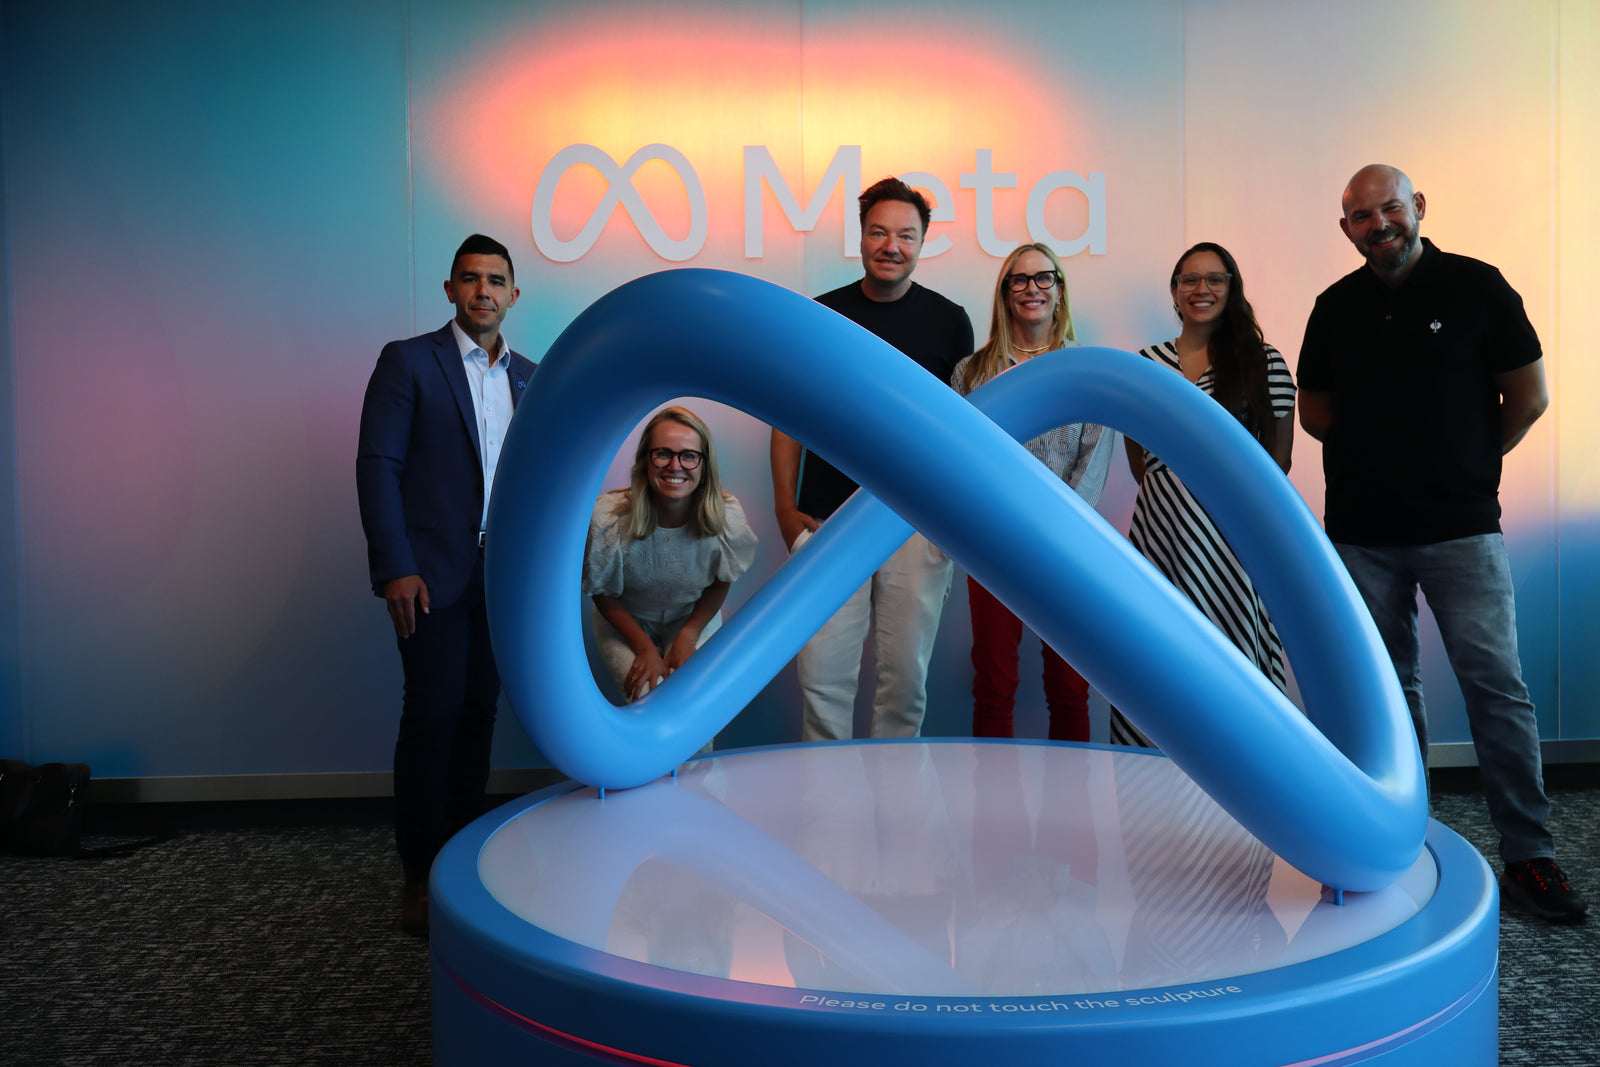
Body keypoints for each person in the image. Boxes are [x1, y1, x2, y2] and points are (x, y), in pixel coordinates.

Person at [1298, 164, 1586, 924]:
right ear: (1347, 229)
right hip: (1362, 532)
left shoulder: (1478, 288)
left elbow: (1530, 396)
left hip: (1462, 526)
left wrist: (1466, 461)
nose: (1378, 223)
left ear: (1417, 207)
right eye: (1361, 216)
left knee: (1496, 686)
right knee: (1387, 693)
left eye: (1389, 207)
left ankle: (1530, 856)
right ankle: (1402, 840)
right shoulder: (1335, 308)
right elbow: (1317, 413)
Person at [356, 233, 536, 936]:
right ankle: (420, 876)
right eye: (470, 278)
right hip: (428, 575)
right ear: (450, 289)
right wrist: (394, 564)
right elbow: (378, 465)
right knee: (432, 717)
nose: (483, 291)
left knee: (478, 719)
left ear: (514, 295)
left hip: (504, 577)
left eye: (496, 280)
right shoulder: (409, 362)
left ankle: (465, 869)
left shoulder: (532, 375)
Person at [770, 177, 974, 741]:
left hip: (915, 522)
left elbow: (959, 432)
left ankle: (896, 811)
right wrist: (787, 512)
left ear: (922, 242)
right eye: (879, 232)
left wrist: (946, 525)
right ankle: (829, 819)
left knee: (905, 686)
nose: (892, 246)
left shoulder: (949, 321)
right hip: (827, 521)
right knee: (823, 685)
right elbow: (787, 418)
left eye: (905, 235)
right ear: (860, 237)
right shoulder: (821, 315)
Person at [1113, 242, 1296, 748]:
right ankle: (1150, 778)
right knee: (1157, 653)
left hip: (1236, 541)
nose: (1202, 289)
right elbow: (1138, 459)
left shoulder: (1264, 364)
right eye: (1189, 280)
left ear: (1232, 287)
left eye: (1214, 279)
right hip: (1161, 535)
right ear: (1174, 292)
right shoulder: (1147, 364)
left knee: (1234, 655)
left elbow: (1278, 463)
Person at [950, 243, 1114, 741]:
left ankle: (1074, 818)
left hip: (1069, 548)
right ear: (1004, 293)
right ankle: (992, 817)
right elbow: (962, 461)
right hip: (996, 545)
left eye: (1044, 278)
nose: (1032, 289)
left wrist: (1056, 527)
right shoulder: (970, 373)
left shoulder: (1087, 368)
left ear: (1060, 290)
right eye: (1018, 280)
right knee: (994, 687)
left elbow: (1096, 455)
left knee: (1070, 687)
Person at [583, 406, 758, 702]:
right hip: (625, 619)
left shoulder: (725, 518)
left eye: (689, 455)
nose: (675, 466)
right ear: (645, 461)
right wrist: (644, 648)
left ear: (704, 466)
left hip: (693, 616)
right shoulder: (609, 517)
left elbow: (721, 581)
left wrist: (688, 635)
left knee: (696, 702)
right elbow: (602, 593)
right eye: (662, 453)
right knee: (646, 697)